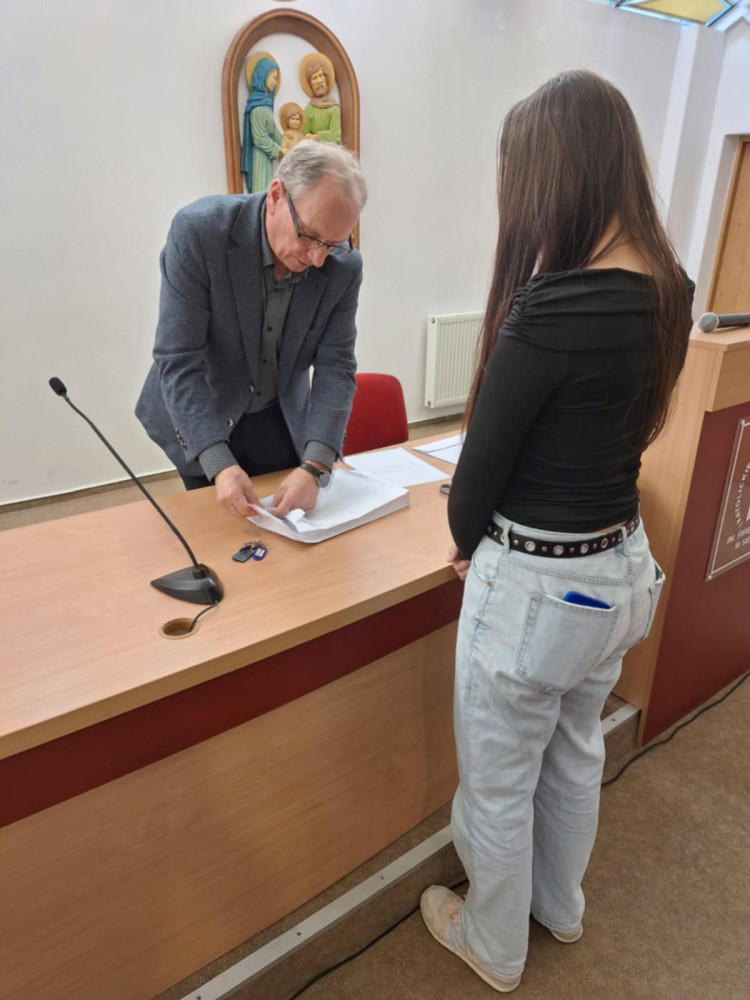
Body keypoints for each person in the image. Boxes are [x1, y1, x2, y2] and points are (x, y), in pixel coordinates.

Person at [419, 70, 694, 992]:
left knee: (500, 783)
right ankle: (559, 909)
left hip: (535, 590)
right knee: (577, 749)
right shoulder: (672, 289)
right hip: (622, 569)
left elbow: (475, 482)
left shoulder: (551, 308)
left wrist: (466, 541)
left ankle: (493, 946)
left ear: (554, 177)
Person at [136, 141, 367, 519]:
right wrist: (218, 463)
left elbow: (336, 366)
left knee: (286, 530)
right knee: (217, 529)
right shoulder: (200, 232)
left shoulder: (343, 266)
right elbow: (178, 359)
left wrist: (315, 466)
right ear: (276, 196)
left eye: (333, 243)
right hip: (204, 407)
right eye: (310, 236)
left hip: (279, 414)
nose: (317, 258)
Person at [240, 56, 282, 192]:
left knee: (269, 189)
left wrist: (288, 142)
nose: (275, 83)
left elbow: (273, 131)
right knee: (262, 190)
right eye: (274, 78)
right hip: (259, 158)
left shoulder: (266, 105)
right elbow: (260, 138)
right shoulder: (257, 108)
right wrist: (279, 151)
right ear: (263, 76)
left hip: (267, 157)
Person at [302, 56, 342, 144]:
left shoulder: (333, 108)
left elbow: (336, 136)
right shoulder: (309, 109)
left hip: (330, 150)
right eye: (314, 78)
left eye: (321, 75)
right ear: (310, 85)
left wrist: (316, 136)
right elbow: (304, 134)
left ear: (326, 79)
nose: (319, 81)